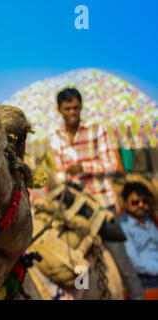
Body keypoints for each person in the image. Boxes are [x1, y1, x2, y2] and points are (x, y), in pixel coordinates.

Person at [49, 87, 144, 299]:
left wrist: (84, 167)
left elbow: (111, 164)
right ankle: (83, 297)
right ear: (59, 110)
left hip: (102, 206)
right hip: (75, 211)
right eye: (68, 108)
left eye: (76, 107)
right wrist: (64, 178)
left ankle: (137, 296)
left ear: (81, 107)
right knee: (78, 260)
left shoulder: (96, 130)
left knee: (121, 259)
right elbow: (60, 174)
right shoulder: (55, 139)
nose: (73, 112)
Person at [119, 182, 158, 290]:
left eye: (144, 201)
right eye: (135, 202)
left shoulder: (148, 220)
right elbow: (134, 262)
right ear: (126, 203)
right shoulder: (124, 227)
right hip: (146, 279)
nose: (141, 205)